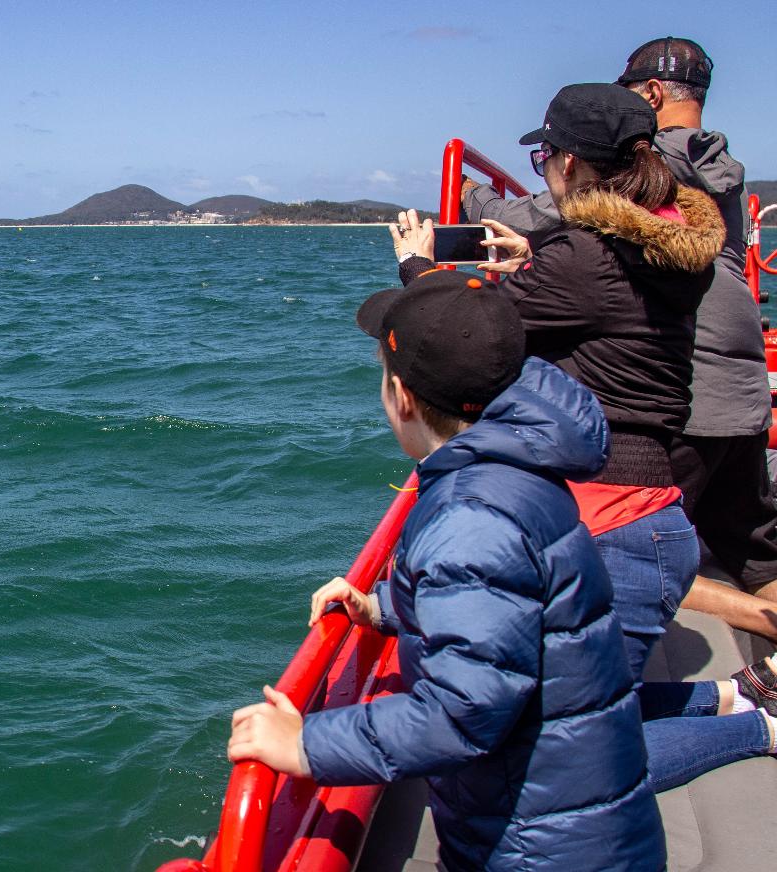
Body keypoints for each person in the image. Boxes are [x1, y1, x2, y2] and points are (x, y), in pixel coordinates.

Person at [392, 82, 775, 792]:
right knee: (578, 707)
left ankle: (762, 729)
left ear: (569, 163)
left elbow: (473, 338)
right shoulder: (663, 247)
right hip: (641, 508)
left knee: (567, 762)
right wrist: (528, 268)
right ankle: (733, 697)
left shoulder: (583, 258)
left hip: (611, 521)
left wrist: (418, 269)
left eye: (542, 155)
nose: (540, 168)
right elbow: (592, 310)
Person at [229, 270, 665, 870]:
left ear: (402, 397)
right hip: (574, 814)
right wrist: (386, 606)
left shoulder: (470, 518)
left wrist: (307, 743)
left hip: (535, 844)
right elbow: (508, 606)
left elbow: (463, 711)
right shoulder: (513, 465)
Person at [463, 37, 777, 645]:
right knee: (756, 554)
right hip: (744, 384)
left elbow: (560, 218)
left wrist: (477, 203)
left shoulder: (642, 164)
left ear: (652, 96)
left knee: (639, 544)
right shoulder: (717, 174)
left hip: (692, 385)